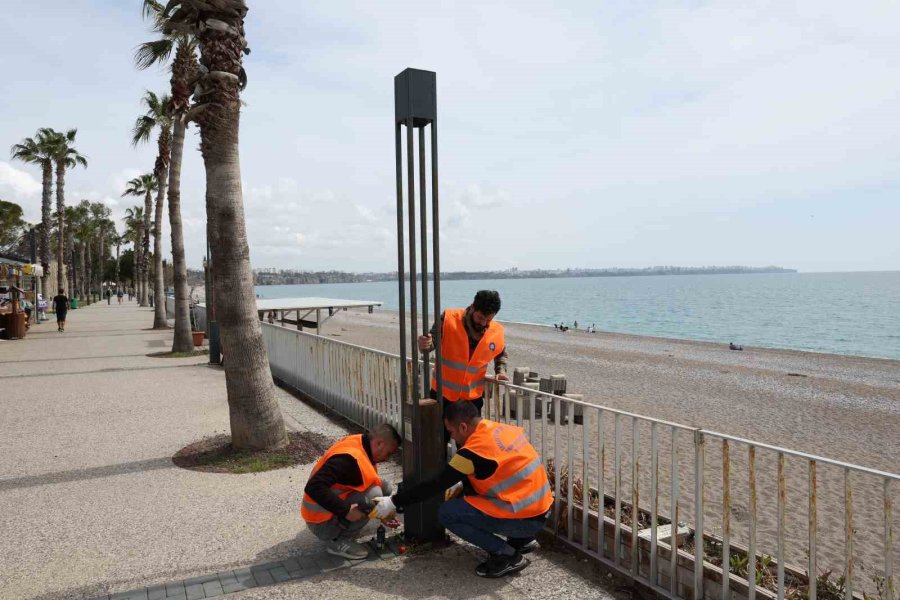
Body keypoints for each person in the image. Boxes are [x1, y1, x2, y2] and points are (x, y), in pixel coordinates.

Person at [371, 401, 553, 578]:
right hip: (541, 510)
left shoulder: (472, 452)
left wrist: (394, 501)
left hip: (525, 519)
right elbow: (499, 473)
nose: (451, 437)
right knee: (469, 493)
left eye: (451, 431)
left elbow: (435, 485)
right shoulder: (499, 429)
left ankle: (507, 555)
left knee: (447, 513)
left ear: (464, 427)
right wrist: (462, 483)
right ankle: (523, 540)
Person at [301, 424, 401, 560]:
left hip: (327, 512)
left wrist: (384, 514)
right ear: (379, 443)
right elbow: (313, 486)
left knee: (385, 488)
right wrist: (346, 510)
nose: (387, 458)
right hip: (321, 523)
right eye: (388, 453)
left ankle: (344, 527)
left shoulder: (361, 443)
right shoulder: (349, 460)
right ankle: (338, 541)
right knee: (374, 495)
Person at [417, 290, 508, 423]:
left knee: (470, 441)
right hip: (442, 395)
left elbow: (500, 353)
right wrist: (424, 343)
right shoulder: (448, 318)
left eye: (488, 320)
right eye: (480, 317)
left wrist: (500, 371)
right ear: (472, 307)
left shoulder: (496, 330)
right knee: (439, 439)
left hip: (472, 399)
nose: (483, 323)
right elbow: (431, 343)